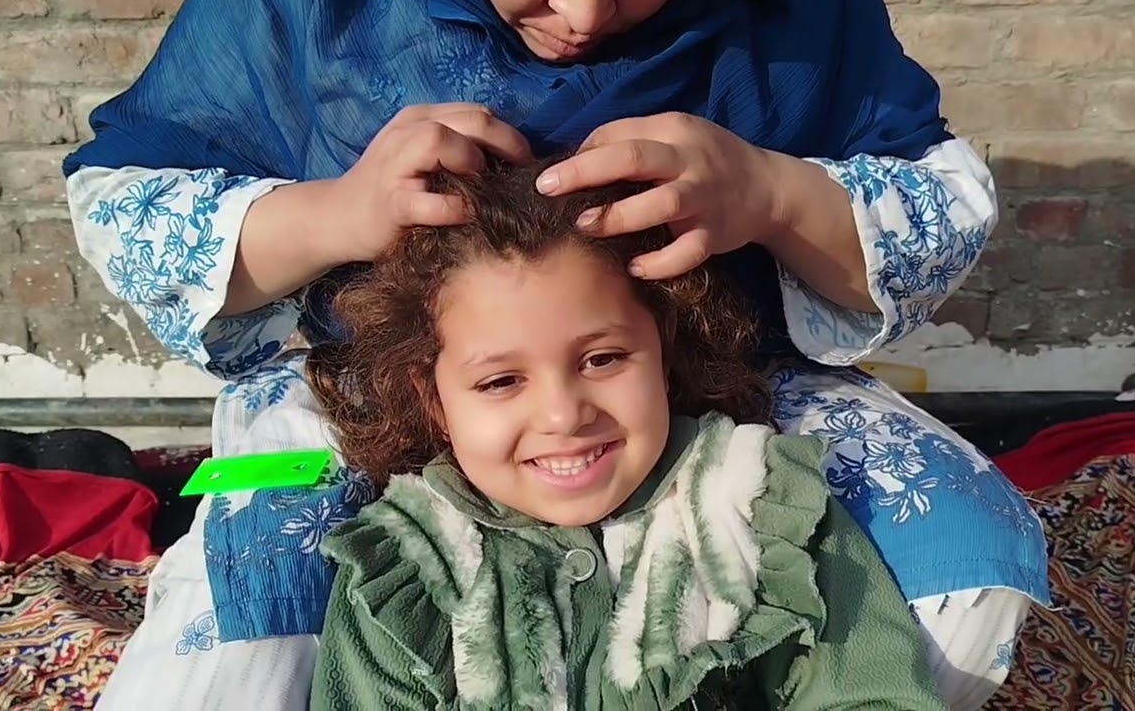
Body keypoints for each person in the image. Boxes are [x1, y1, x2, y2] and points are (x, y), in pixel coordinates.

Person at [67, 0, 1048, 708]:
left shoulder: (800, 9)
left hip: (714, 374)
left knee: (957, 583)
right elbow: (127, 201)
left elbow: (929, 196)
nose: (581, 13)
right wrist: (334, 214)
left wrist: (774, 194)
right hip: (367, 382)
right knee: (240, 641)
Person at [306, 160, 947, 709]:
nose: (563, 416)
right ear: (434, 400)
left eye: (603, 359)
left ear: (663, 352)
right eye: (501, 381)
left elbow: (871, 691)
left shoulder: (759, 505)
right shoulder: (405, 566)